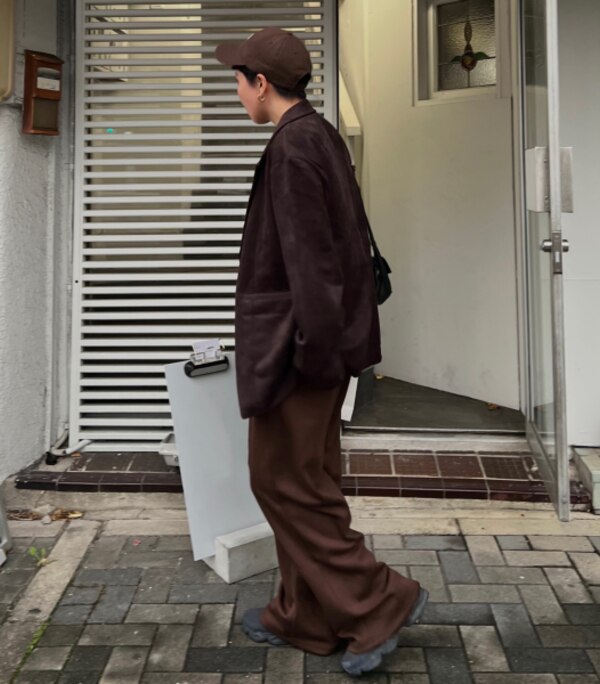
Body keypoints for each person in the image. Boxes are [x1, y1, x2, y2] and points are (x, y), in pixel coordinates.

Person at [214, 27, 428, 677]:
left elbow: (312, 263)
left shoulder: (292, 148)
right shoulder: (318, 134)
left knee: (281, 480)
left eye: (238, 79)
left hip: (302, 350)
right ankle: (302, 614)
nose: (235, 90)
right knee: (309, 481)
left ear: (261, 83)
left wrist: (310, 355)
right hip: (319, 343)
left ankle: (379, 599)